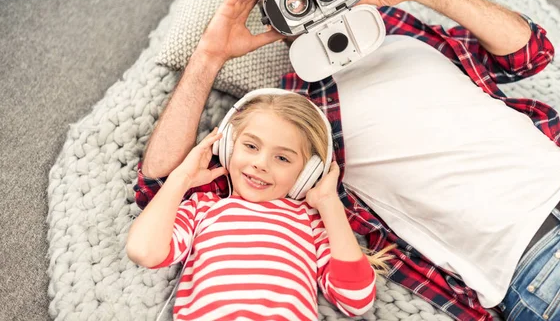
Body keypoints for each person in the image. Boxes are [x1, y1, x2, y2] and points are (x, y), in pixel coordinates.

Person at [134, 0, 560, 321]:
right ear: (271, 13)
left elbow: (531, 53)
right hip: (548, 257)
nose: (314, 0)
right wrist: (211, 54)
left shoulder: (406, 27)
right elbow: (161, 187)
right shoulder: (295, 114)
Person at [127, 91, 386, 320]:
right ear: (227, 146)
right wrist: (181, 179)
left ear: (307, 174)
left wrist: (330, 204)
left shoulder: (310, 221)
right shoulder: (203, 207)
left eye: (282, 158)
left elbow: (356, 299)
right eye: (251, 146)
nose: (261, 163)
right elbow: (143, 250)